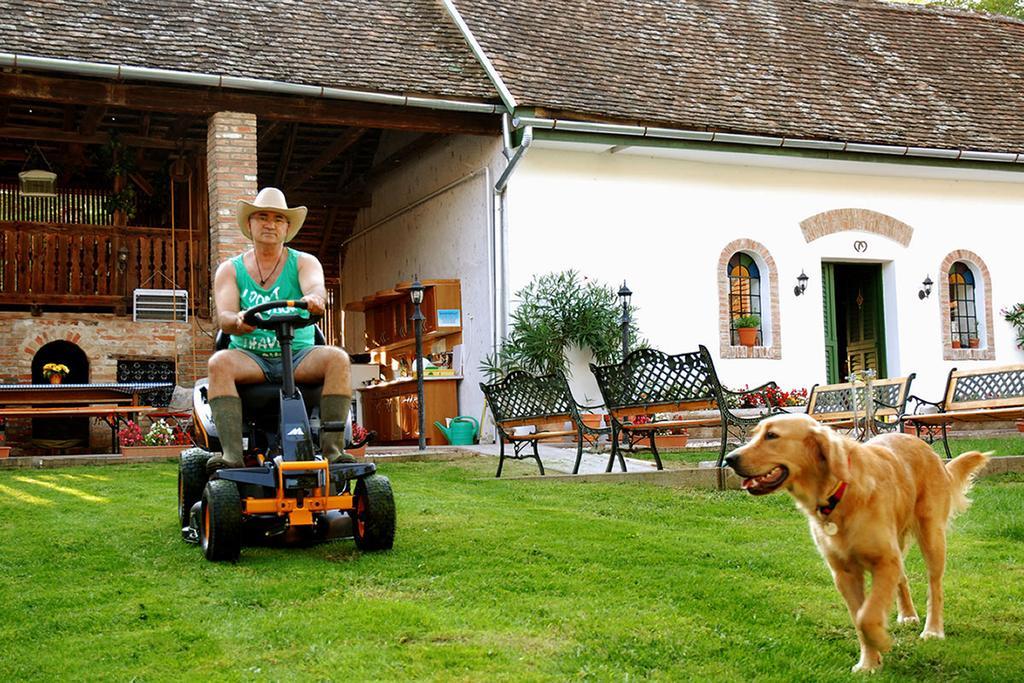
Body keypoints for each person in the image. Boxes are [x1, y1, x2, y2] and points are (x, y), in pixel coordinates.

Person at [205, 187, 354, 473]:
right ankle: (232, 456)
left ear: (287, 227)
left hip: (298, 354)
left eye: (277, 218)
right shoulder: (230, 269)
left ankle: (333, 452)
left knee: (338, 358)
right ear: (250, 224)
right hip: (250, 357)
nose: (270, 224)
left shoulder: (304, 263)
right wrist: (237, 322)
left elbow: (316, 290)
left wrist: (314, 299)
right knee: (218, 363)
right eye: (262, 217)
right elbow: (224, 316)